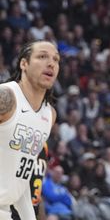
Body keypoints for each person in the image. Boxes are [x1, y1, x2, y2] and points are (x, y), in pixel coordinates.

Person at [0, 41, 60, 220]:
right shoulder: (6, 98)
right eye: (42, 56)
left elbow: (21, 177)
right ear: (23, 64)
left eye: (56, 60)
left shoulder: (49, 115)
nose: (51, 63)